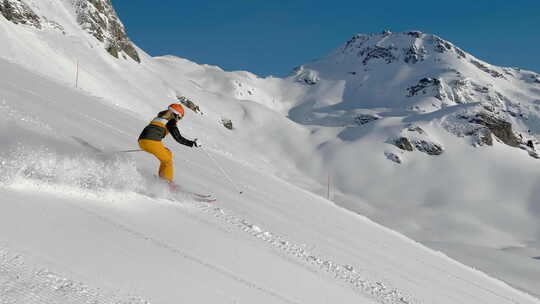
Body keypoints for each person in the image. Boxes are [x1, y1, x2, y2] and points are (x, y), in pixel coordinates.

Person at [138, 104, 198, 185]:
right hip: (152, 142)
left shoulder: (160, 117)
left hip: (142, 141)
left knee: (168, 152)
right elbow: (178, 138)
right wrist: (192, 143)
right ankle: (166, 182)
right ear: (175, 114)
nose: (178, 120)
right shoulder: (171, 121)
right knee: (167, 161)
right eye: (179, 117)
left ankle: (163, 178)